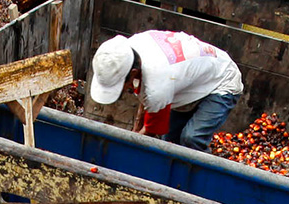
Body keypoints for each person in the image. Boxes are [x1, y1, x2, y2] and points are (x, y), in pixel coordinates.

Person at [87, 30, 243, 151]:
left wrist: (126, 148)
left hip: (222, 80)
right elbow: (146, 100)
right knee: (170, 140)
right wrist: (133, 132)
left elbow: (150, 133)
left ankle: (205, 185)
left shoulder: (157, 83)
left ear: (133, 73)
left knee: (192, 138)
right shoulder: (131, 47)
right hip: (190, 81)